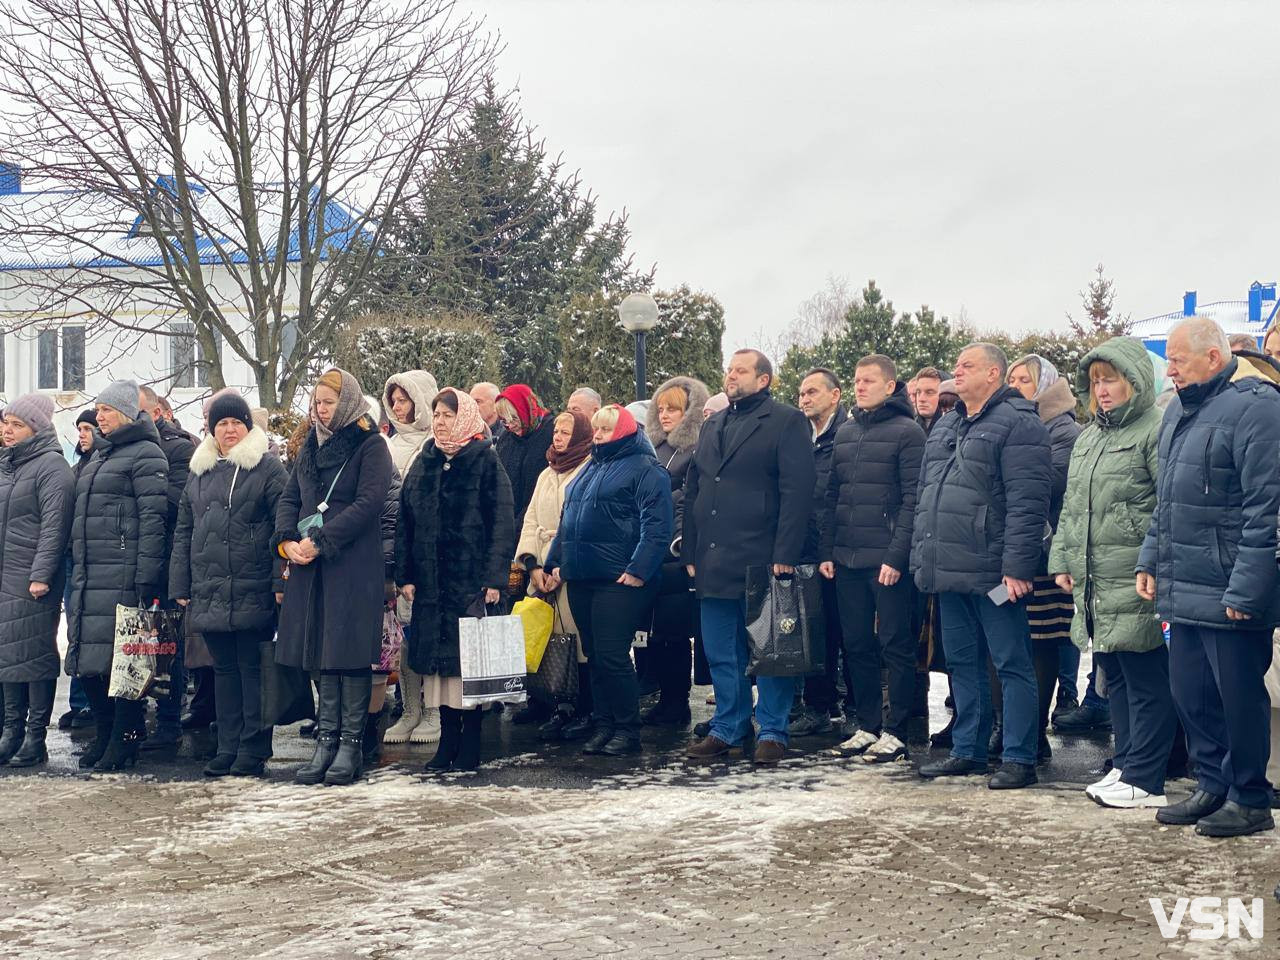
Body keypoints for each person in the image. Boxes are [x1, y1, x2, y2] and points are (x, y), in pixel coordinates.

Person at [1136, 317, 1280, 837]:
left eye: (1177, 359)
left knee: (1238, 697)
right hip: (1184, 584)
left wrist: (1248, 589)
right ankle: (1211, 785)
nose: (1168, 369)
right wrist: (1150, 559)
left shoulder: (1258, 409)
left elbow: (1268, 508)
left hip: (1230, 588)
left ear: (1214, 359)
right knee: (1190, 693)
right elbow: (1166, 500)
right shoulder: (1178, 409)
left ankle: (1250, 797)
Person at [912, 344, 1051, 790]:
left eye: (967, 365)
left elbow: (1028, 503)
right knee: (962, 663)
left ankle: (1019, 756)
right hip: (949, 568)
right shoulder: (947, 424)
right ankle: (967, 750)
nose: (957, 370)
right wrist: (923, 559)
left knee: (1010, 662)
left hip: (995, 573)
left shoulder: (1018, 423)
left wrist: (1018, 567)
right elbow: (926, 497)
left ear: (994, 373)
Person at [1047, 337, 1175, 808]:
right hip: (1095, 579)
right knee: (1113, 673)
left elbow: (1168, 504)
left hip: (1135, 575)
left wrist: (1154, 562)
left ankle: (1148, 776)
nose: (1101, 389)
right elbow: (1072, 509)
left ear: (1135, 381)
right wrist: (1061, 559)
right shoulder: (1089, 437)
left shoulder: (1156, 429)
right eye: (1096, 381)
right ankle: (1126, 763)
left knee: (1145, 677)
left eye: (1111, 379)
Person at [683, 349, 816, 765]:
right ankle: (729, 726)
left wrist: (786, 552)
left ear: (764, 380)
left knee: (771, 649)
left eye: (741, 370)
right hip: (714, 558)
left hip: (764, 556)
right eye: (729, 369)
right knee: (722, 650)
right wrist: (690, 548)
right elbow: (695, 490)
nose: (731, 375)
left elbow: (798, 491)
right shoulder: (713, 424)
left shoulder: (786, 421)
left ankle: (773, 730)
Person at [275, 368, 393, 786]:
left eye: (327, 403)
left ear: (345, 404)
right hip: (311, 566)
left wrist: (322, 541)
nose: (320, 410)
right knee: (321, 654)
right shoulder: (310, 444)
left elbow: (370, 502)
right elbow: (291, 497)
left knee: (348, 654)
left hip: (352, 564)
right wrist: (287, 541)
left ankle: (350, 744)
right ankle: (325, 742)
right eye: (316, 403)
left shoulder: (371, 444)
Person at [396, 388, 516, 773]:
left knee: (470, 668)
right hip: (432, 584)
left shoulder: (484, 459)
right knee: (439, 671)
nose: (441, 421)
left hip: (469, 584)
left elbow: (501, 521)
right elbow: (406, 522)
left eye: (448, 415)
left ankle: (471, 745)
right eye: (437, 415)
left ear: (462, 416)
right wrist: (406, 574)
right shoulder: (425, 459)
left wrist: (494, 577)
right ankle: (447, 743)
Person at [170, 391, 288, 778]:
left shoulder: (267, 469)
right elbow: (184, 530)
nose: (229, 429)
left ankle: (253, 747)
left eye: (236, 422)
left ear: (247, 425)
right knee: (223, 670)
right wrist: (181, 583)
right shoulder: (198, 471)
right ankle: (228, 745)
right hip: (210, 586)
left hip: (251, 583)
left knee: (251, 669)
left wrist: (277, 580)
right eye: (222, 423)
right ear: (211, 429)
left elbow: (282, 528)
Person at [546, 404, 673, 755]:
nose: (598, 436)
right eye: (596, 430)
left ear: (622, 433)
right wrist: (555, 560)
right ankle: (604, 724)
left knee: (614, 655)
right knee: (595, 654)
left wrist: (638, 569)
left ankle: (627, 729)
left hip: (619, 580)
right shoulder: (590, 468)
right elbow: (567, 519)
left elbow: (658, 526)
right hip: (582, 575)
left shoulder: (646, 469)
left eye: (605, 430)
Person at [821, 356, 925, 763]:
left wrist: (896, 555)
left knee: (895, 643)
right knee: (857, 644)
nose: (860, 387)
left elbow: (913, 500)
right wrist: (828, 550)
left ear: (890, 385)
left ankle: (897, 730)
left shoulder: (908, 432)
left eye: (869, 381)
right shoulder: (846, 432)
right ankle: (867, 725)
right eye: (856, 380)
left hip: (886, 560)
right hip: (847, 558)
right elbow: (833, 496)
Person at [65, 380, 169, 771]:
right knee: (90, 660)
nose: (98, 416)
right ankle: (106, 732)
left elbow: (153, 520)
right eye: (97, 410)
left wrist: (147, 576)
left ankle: (126, 735)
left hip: (124, 575)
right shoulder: (99, 457)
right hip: (91, 572)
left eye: (105, 410)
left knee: (124, 663)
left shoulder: (146, 455)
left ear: (125, 412)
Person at [998, 354, 1081, 763]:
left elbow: (1051, 482)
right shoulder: (1008, 423)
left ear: (1044, 384)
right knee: (1008, 637)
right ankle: (1010, 727)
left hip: (1047, 555)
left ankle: (1034, 730)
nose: (1015, 386)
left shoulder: (1064, 428)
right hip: (1007, 554)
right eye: (1010, 378)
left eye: (1023, 379)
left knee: (1042, 640)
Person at [0, 394, 74, 767]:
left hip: (31, 578)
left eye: (16, 424)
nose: (7, 431)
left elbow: (54, 527)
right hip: (5, 574)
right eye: (5, 423)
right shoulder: (6, 466)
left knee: (35, 656)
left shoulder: (51, 467)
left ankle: (35, 736)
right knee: (8, 656)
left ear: (36, 428)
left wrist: (41, 574)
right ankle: (10, 733)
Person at [516, 410, 595, 740]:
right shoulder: (547, 473)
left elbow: (583, 523)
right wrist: (532, 564)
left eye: (565, 432)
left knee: (577, 643)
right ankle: (554, 703)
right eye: (557, 431)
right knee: (547, 639)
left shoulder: (589, 469)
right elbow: (532, 520)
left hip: (570, 570)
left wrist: (560, 568)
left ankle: (584, 709)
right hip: (543, 569)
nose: (558, 437)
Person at [641, 376, 712, 727]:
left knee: (674, 632)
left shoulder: (693, 449)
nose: (665, 415)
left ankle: (677, 702)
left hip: (673, 549)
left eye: (674, 409)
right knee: (656, 635)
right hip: (650, 548)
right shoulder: (655, 448)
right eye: (661, 408)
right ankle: (666, 699)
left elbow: (688, 496)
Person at [380, 371, 441, 747]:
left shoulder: (437, 444)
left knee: (430, 633)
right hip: (397, 548)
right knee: (404, 635)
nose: (399, 407)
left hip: (429, 551)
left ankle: (433, 710)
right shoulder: (386, 445)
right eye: (395, 400)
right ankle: (409, 709)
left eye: (405, 399)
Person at [138, 384, 198, 750]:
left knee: (166, 647)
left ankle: (169, 721)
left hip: (165, 559)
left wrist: (146, 485)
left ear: (157, 412)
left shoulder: (178, 449)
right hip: (135, 558)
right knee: (137, 646)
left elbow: (179, 504)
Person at [792, 367, 849, 737]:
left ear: (835, 395)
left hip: (839, 550)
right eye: (801, 393)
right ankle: (817, 706)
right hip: (803, 549)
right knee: (811, 632)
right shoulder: (798, 438)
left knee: (843, 633)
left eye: (812, 391)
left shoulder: (847, 436)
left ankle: (851, 707)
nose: (804, 398)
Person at [57, 409, 98, 732]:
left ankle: (89, 703)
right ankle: (78, 702)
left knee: (90, 633)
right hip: (73, 557)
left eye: (88, 428)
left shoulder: (101, 466)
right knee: (75, 631)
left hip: (94, 560)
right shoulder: (76, 468)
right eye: (80, 428)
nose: (82, 434)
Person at [494, 384, 555, 528]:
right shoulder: (506, 438)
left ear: (525, 410)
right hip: (504, 523)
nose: (510, 425)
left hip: (535, 524)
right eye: (504, 421)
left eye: (514, 418)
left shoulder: (551, 434)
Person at [913, 367, 944, 434]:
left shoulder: (958, 429)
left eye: (929, 392)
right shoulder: (908, 428)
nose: (921, 399)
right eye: (918, 392)